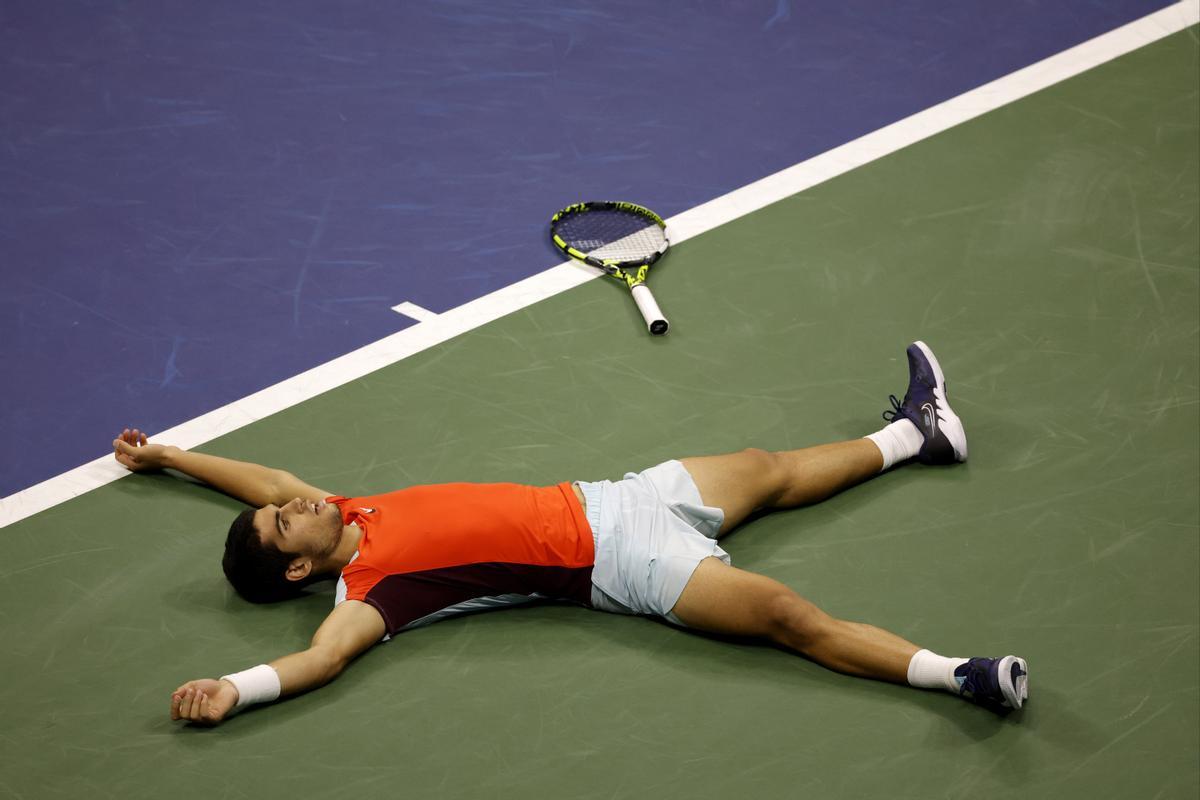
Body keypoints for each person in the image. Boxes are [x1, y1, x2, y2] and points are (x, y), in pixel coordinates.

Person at [113, 341, 1028, 726]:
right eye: (286, 520)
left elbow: (266, 478)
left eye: (288, 505)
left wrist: (172, 456)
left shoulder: (349, 512)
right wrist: (236, 687)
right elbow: (321, 661)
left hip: (615, 496)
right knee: (789, 615)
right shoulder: (373, 591)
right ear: (303, 565)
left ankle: (919, 433)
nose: (294, 499)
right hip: (627, 564)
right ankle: (963, 677)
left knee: (769, 466)